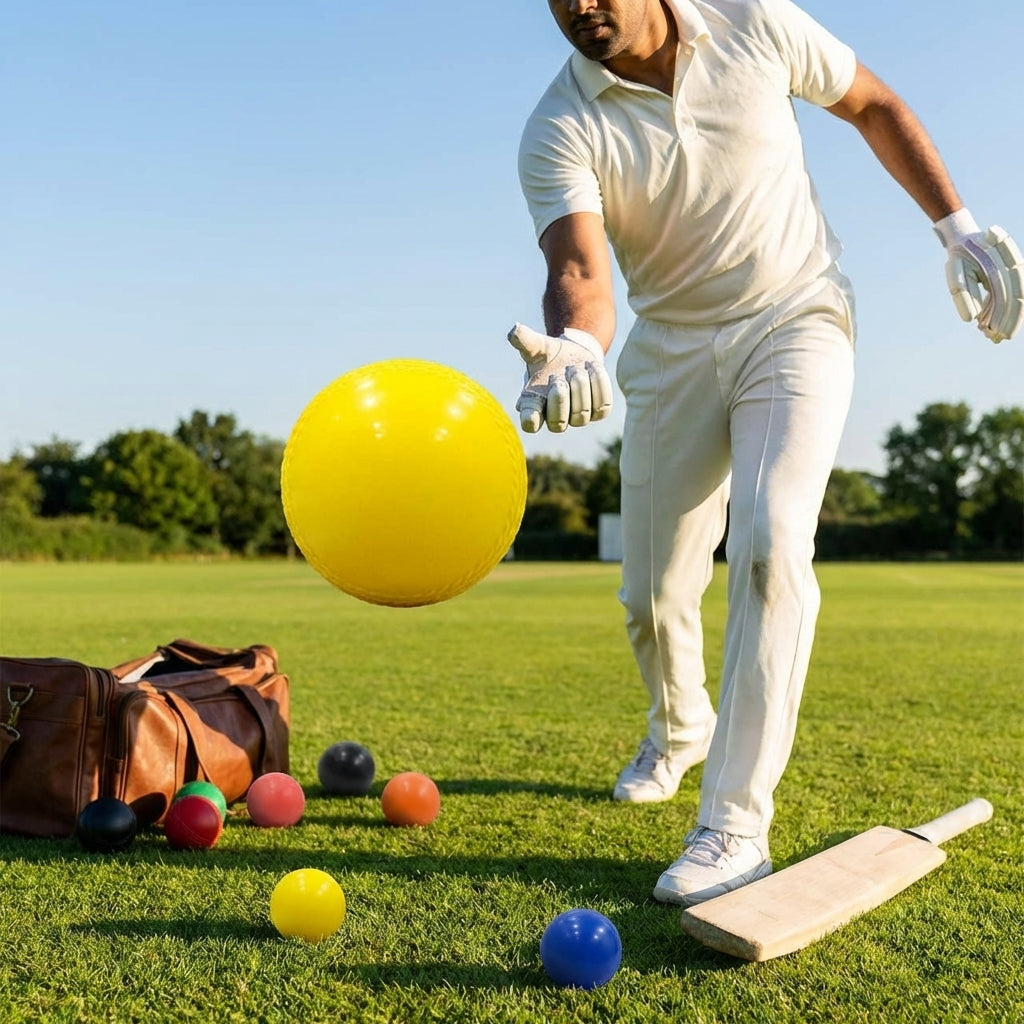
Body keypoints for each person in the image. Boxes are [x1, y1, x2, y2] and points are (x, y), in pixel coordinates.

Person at [507, 0, 1022, 908]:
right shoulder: (558, 124)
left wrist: (958, 226)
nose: (580, 6)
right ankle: (679, 730)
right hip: (670, 348)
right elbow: (579, 271)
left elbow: (872, 102)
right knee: (652, 597)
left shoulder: (751, 18)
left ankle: (734, 827)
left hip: (795, 314)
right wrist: (578, 342)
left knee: (772, 542)